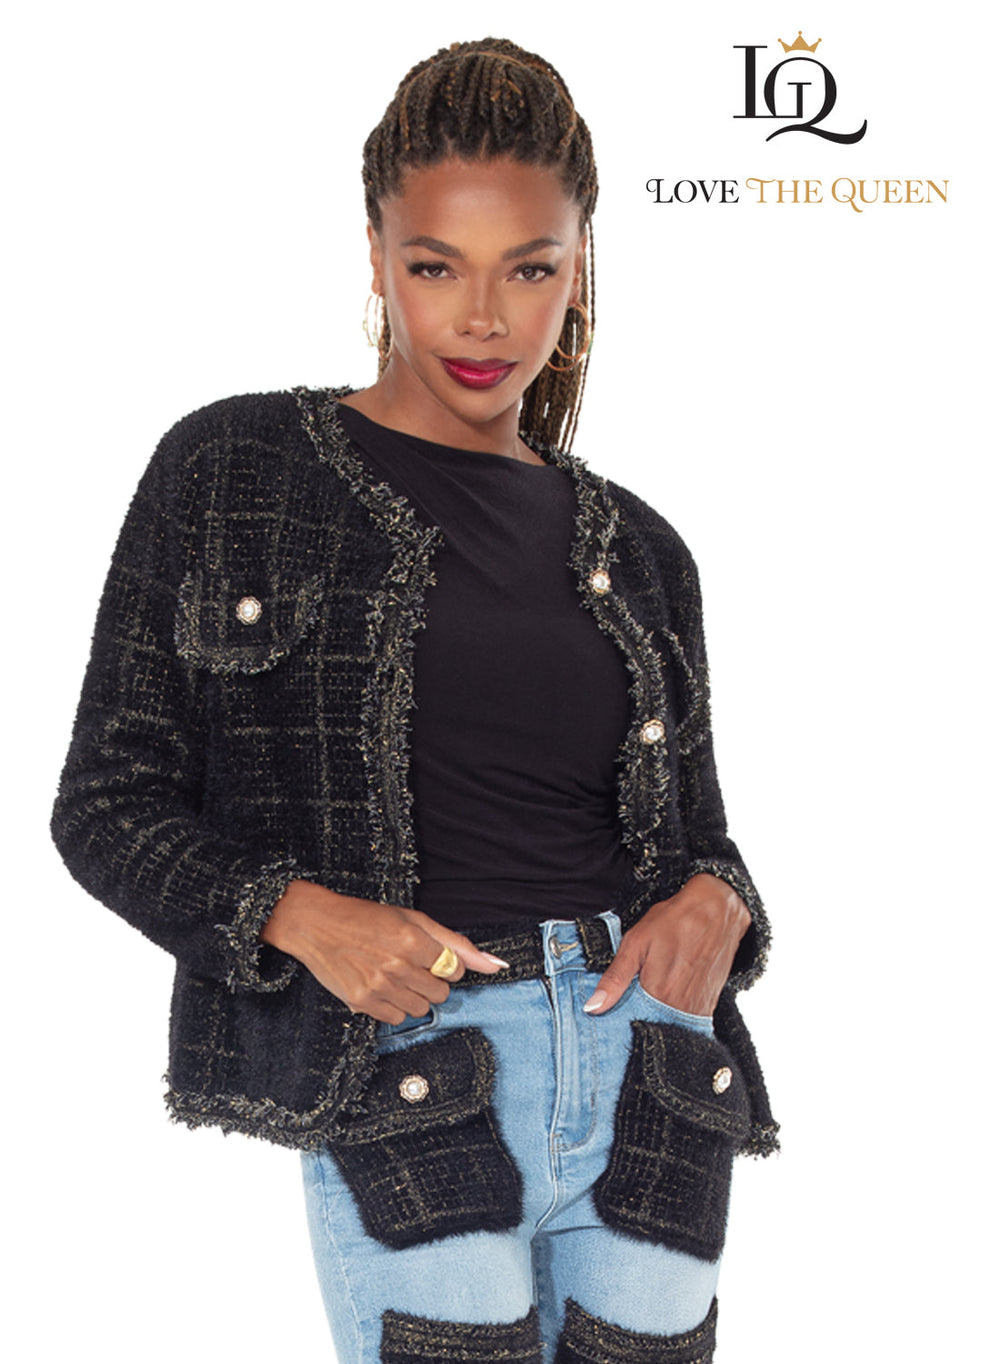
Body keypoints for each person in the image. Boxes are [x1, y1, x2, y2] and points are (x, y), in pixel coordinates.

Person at [52, 37, 778, 1364]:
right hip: (416, 1064)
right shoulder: (234, 468)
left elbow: (700, 841)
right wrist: (297, 914)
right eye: (438, 266)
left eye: (530, 269)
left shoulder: (645, 550)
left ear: (580, 265)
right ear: (378, 254)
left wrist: (720, 902)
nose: (483, 320)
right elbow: (106, 805)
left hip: (656, 1075)